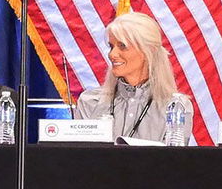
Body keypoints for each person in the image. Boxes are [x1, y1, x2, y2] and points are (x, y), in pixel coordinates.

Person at [74, 10, 191, 143]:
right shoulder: (89, 101)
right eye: (111, 46)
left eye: (122, 46)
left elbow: (174, 161)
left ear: (148, 52)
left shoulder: (176, 107)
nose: (112, 54)